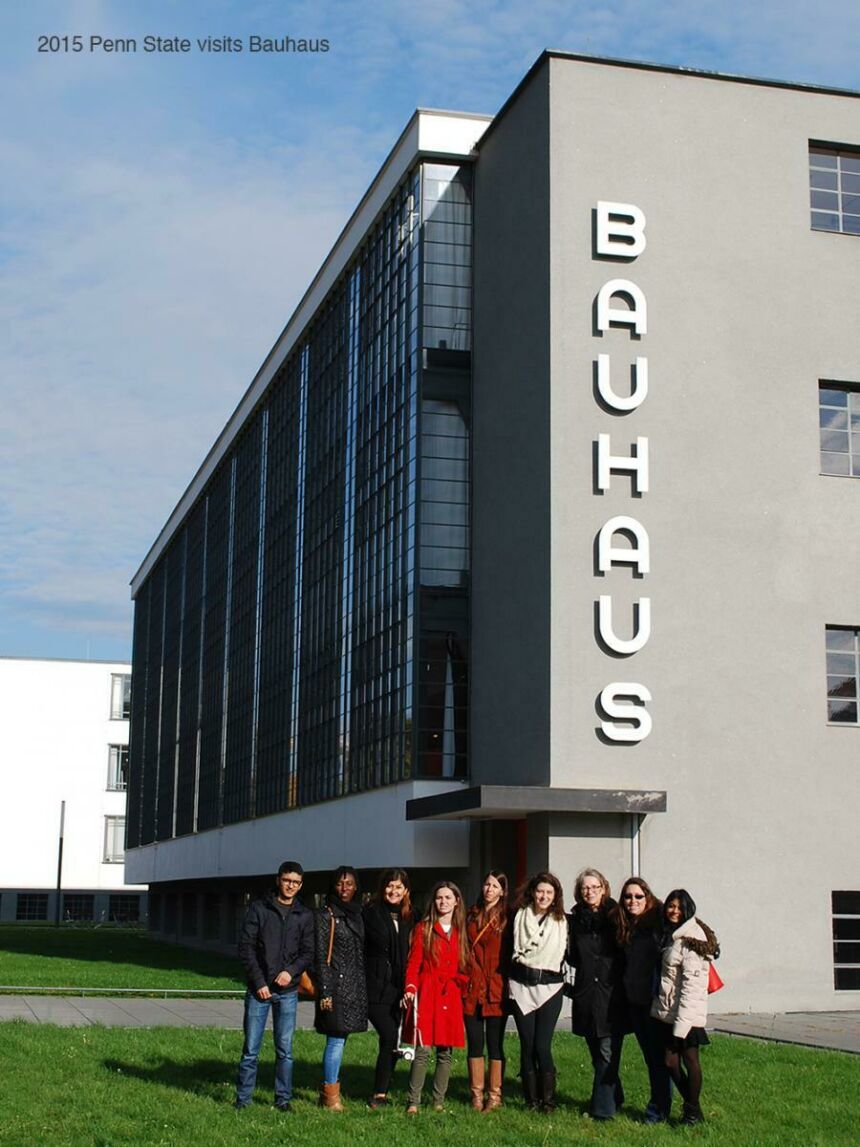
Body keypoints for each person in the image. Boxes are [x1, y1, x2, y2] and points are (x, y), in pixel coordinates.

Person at [235, 860, 313, 1112]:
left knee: (285, 1051)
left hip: (287, 992)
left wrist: (290, 972)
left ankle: (283, 1099)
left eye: (295, 882)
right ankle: (243, 1099)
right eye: (287, 880)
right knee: (251, 1050)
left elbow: (307, 951)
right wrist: (259, 982)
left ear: (300, 885)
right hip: (259, 991)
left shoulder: (304, 914)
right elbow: (246, 948)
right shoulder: (259, 909)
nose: (290, 885)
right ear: (278, 880)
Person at [651, 889, 719, 1126]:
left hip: (686, 1014)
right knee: (671, 1062)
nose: (674, 911)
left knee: (689, 1061)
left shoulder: (691, 939)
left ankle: (691, 1111)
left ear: (688, 909)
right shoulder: (673, 934)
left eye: (679, 907)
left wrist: (681, 1025)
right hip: (672, 1011)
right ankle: (693, 1108)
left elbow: (692, 987)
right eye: (671, 905)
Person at [402, 880, 469, 1114]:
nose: (443, 902)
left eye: (448, 898)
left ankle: (438, 1100)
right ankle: (414, 1100)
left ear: (456, 901)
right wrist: (410, 988)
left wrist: (463, 985)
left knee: (445, 1051)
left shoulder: (462, 932)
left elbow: (465, 965)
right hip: (428, 991)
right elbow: (414, 963)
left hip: (450, 994)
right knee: (422, 1049)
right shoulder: (424, 928)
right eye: (440, 897)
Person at [567, 867, 626, 1121]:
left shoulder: (617, 916)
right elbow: (571, 955)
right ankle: (616, 1095)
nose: (589, 891)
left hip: (612, 995)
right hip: (586, 994)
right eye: (585, 888)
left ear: (604, 888)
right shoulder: (574, 920)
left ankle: (603, 1110)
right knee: (596, 1051)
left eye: (594, 887)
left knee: (606, 1052)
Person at [508, 871, 567, 1112]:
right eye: (540, 891)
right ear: (533, 892)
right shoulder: (519, 916)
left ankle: (549, 1100)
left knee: (542, 1045)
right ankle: (531, 1100)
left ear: (555, 897)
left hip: (550, 988)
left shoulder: (562, 921)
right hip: (521, 985)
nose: (543, 896)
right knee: (527, 1044)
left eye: (549, 892)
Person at [616, 875, 671, 1123]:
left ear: (647, 896)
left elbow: (691, 928)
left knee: (660, 1060)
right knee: (651, 1059)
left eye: (638, 896)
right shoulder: (626, 923)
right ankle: (661, 1106)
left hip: (654, 1002)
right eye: (628, 896)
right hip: (635, 1002)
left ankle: (660, 1111)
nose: (633, 900)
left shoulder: (659, 920)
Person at [314, 865, 369, 1110]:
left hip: (355, 987)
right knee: (335, 1040)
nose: (344, 888)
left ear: (356, 886)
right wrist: (325, 991)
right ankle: (330, 1095)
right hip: (335, 987)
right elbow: (320, 956)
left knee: (341, 1038)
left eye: (349, 883)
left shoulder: (360, 913)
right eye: (339, 883)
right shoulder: (326, 915)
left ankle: (330, 1090)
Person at [363, 867, 413, 1108]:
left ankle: (383, 1087)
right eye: (389, 885)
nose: (393, 891)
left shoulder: (410, 917)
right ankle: (379, 1093)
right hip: (375, 987)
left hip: (399, 989)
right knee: (390, 1035)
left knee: (392, 1040)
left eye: (399, 887)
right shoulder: (370, 913)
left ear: (406, 891)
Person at [463, 869, 511, 1112]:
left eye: (494, 886)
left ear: (502, 890)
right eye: (487, 885)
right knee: (474, 1041)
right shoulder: (471, 915)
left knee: (495, 1043)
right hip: (472, 986)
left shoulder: (507, 917)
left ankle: (495, 1095)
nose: (489, 889)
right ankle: (476, 1094)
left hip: (496, 988)